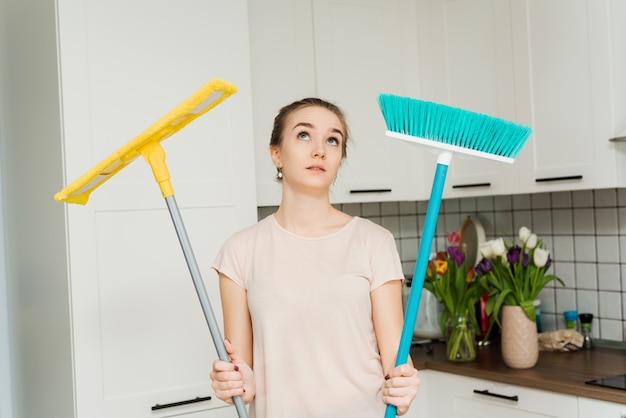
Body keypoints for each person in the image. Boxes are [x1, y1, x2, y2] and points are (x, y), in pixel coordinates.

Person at [210, 98, 420, 417]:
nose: (320, 149)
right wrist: (235, 383)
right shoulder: (239, 251)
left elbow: (396, 361)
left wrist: (404, 386)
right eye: (304, 135)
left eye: (332, 140)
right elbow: (244, 373)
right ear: (276, 153)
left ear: (339, 159)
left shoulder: (374, 242)